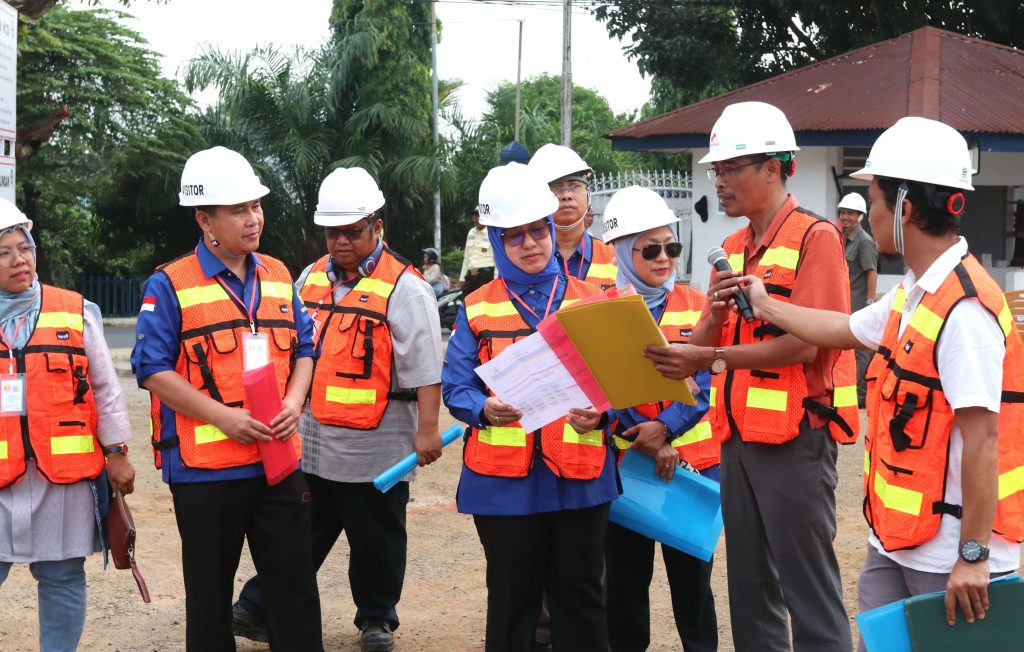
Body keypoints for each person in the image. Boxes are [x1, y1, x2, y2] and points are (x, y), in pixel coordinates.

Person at [729, 117, 1024, 650]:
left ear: (905, 206)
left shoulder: (965, 311)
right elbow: (842, 328)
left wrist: (973, 557)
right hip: (898, 540)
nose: (871, 210)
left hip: (948, 556)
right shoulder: (917, 292)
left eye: (875, 196)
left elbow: (982, 440)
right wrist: (767, 303)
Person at [642, 101, 859, 652]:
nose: (719, 180)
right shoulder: (734, 248)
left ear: (774, 167)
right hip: (736, 439)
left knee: (806, 590)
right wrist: (710, 323)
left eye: (730, 167)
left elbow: (810, 342)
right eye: (716, 170)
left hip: (795, 440)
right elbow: (704, 342)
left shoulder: (818, 239)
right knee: (749, 589)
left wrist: (710, 361)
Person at [232, 167, 444, 652]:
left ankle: (376, 620)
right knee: (298, 530)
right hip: (311, 438)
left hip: (378, 440)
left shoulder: (407, 288)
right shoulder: (308, 278)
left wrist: (427, 430)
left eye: (353, 231)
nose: (342, 242)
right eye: (333, 232)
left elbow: (427, 367)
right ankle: (260, 606)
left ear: (377, 226)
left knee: (377, 535)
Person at [131, 146, 321, 651]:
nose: (253, 218)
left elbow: (306, 346)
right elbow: (150, 369)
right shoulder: (169, 284)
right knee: (210, 598)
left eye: (256, 205)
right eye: (238, 209)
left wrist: (295, 401)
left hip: (278, 462)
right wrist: (225, 419)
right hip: (206, 471)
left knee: (295, 590)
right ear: (205, 219)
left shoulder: (280, 275)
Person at [442, 162, 619, 652]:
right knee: (512, 603)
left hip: (580, 477)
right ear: (496, 241)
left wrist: (603, 415)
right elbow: (456, 388)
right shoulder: (476, 306)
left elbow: (623, 386)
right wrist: (483, 410)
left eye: (537, 231)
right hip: (504, 484)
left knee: (582, 600)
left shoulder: (593, 301)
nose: (531, 243)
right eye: (515, 236)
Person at [0, 198, 135, 652]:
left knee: (61, 576)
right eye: (3, 252)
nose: (19, 260)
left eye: (24, 248)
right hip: (1, 476)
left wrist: (116, 452)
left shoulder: (75, 311)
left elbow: (106, 388)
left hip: (63, 477)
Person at [600, 186, 718, 652]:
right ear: (623, 252)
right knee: (624, 589)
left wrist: (666, 429)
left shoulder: (696, 302)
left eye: (672, 247)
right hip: (628, 468)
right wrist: (644, 434)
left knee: (694, 587)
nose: (664, 257)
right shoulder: (602, 308)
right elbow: (600, 381)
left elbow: (706, 380)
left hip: (691, 469)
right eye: (651, 249)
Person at [528, 144, 618, 289]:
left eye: (575, 186)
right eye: (555, 188)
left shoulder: (614, 257)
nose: (566, 195)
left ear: (588, 195)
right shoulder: (527, 259)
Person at [838, 191, 878, 407]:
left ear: (860, 216)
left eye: (851, 213)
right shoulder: (842, 238)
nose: (845, 217)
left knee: (861, 352)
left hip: (859, 305)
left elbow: (872, 272)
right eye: (843, 212)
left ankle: (860, 396)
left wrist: (870, 303)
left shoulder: (864, 241)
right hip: (844, 304)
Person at [459, 207, 495, 296]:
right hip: (471, 274)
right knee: (467, 303)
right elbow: (467, 257)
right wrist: (462, 278)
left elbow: (498, 258)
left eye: (480, 215)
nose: (478, 218)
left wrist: (496, 278)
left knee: (483, 305)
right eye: (475, 216)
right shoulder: (471, 232)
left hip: (486, 275)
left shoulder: (492, 232)